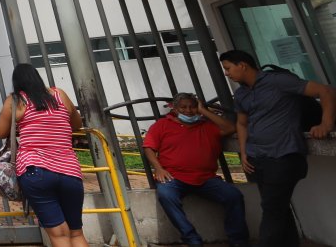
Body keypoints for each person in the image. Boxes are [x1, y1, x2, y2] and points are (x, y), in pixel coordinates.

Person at [221, 49, 336, 247]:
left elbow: (325, 91)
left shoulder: (278, 81)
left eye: (228, 68)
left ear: (242, 65)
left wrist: (325, 124)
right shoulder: (241, 94)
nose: (227, 73)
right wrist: (243, 151)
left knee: (272, 210)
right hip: (257, 158)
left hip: (283, 156)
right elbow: (241, 123)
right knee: (278, 209)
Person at [0, 63, 86, 247]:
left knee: (59, 236)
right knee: (76, 233)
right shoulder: (60, 95)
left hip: (36, 170)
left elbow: (1, 132)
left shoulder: (16, 100)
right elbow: (77, 124)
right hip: (70, 172)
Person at [143, 93, 248, 246]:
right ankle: (192, 239)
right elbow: (149, 147)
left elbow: (230, 128)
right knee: (166, 195)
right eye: (183, 107)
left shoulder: (207, 125)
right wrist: (159, 169)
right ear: (175, 109)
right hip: (174, 177)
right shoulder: (162, 125)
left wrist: (204, 111)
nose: (188, 111)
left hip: (206, 179)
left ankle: (239, 242)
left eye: (192, 107)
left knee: (234, 196)